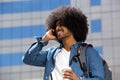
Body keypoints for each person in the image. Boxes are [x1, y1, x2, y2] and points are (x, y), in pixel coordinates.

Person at [22, 6, 104, 80]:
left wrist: (79, 79)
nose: (57, 28)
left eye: (61, 24)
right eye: (56, 26)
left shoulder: (88, 52)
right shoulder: (51, 54)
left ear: (72, 26)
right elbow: (28, 59)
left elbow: (99, 78)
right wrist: (43, 40)